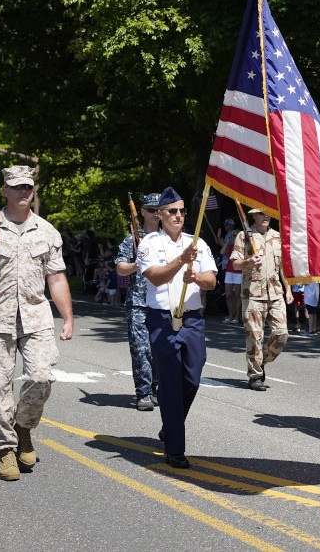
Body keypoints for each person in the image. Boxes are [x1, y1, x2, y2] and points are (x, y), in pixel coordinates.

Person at [0, 166, 75, 481]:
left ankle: (23, 427)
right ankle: (4, 450)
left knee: (41, 378)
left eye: (28, 187)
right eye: (16, 187)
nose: (23, 192)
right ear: (4, 191)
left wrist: (67, 317)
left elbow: (56, 278)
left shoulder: (47, 231)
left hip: (36, 317)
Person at [137, 187, 217, 469]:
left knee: (193, 378)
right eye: (172, 211)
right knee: (170, 383)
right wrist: (181, 260)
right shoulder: (148, 243)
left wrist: (195, 275)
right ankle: (175, 448)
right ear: (160, 215)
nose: (179, 216)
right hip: (161, 319)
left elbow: (211, 281)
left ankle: (171, 425)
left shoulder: (198, 242)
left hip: (192, 319)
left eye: (182, 211)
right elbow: (156, 278)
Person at [230, 208, 293, 391]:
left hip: (275, 293)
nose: (265, 216)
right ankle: (255, 376)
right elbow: (235, 263)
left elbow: (283, 268)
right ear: (253, 216)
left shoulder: (277, 237)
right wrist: (249, 262)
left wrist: (288, 289)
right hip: (253, 295)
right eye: (261, 213)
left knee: (281, 333)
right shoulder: (243, 236)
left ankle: (261, 361)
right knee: (255, 337)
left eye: (267, 213)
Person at [115, 192, 161, 412]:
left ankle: (155, 387)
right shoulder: (131, 239)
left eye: (159, 210)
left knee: (159, 350)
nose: (156, 214)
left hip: (162, 302)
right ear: (142, 211)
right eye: (151, 210)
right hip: (139, 303)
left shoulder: (169, 240)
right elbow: (120, 267)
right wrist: (135, 265)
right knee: (141, 350)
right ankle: (143, 393)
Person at [219, 219, 241, 324]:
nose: (234, 237)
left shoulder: (243, 248)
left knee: (237, 294)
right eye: (233, 236)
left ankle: (236, 317)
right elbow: (222, 251)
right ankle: (231, 315)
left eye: (236, 236)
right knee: (228, 295)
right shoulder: (230, 246)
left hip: (239, 272)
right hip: (229, 271)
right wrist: (228, 241)